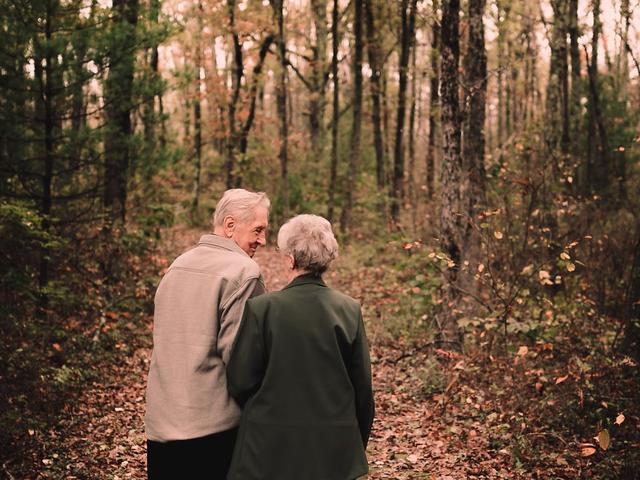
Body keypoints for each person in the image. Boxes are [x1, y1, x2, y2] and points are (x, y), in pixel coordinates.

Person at [226, 214, 375, 480]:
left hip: (269, 448)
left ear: (291, 259)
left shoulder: (263, 309)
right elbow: (362, 390)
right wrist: (351, 445)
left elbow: (240, 381)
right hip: (332, 448)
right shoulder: (348, 309)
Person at [145, 189, 270, 480]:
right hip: (213, 431)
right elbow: (242, 363)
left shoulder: (178, 265)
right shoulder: (244, 273)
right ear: (229, 225)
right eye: (258, 230)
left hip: (162, 426)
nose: (263, 240)